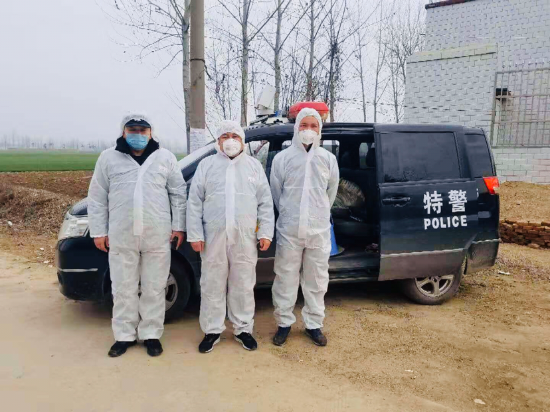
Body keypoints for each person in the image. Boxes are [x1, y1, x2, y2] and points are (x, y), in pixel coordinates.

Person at [88, 113, 187, 358]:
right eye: (132, 130)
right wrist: (99, 231)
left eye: (143, 130)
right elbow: (97, 197)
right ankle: (124, 335)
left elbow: (178, 194)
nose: (138, 135)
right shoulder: (109, 158)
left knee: (155, 287)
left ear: (151, 133)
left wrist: (179, 226)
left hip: (157, 234)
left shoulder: (165, 158)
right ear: (123, 132)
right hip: (121, 234)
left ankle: (151, 334)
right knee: (123, 288)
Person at [186, 120, 274, 353]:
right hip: (213, 237)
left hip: (245, 238)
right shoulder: (207, 166)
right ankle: (212, 330)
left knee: (243, 284)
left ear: (243, 141)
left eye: (235, 136)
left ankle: (243, 329)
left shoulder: (254, 167)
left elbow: (265, 203)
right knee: (212, 283)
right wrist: (195, 234)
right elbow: (194, 202)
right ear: (218, 141)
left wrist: (265, 232)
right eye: (225, 136)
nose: (230, 141)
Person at [270, 108, 339, 347]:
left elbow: (331, 192)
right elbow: (277, 193)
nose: (308, 130)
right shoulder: (282, 159)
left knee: (316, 279)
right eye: (304, 125)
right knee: (285, 278)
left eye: (313, 126)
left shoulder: (328, 159)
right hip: (289, 230)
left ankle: (314, 324)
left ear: (320, 130)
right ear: (296, 127)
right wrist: (290, 214)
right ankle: (284, 323)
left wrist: (318, 214)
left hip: (318, 231)